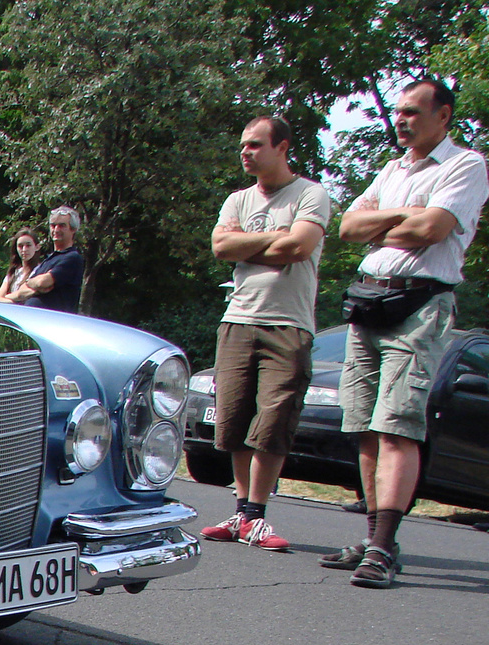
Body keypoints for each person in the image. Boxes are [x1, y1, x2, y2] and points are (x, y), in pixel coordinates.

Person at [327, 78, 488, 588]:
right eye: (398, 111)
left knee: (397, 423)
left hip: (420, 303)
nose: (401, 120)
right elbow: (348, 227)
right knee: (364, 426)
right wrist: (403, 215)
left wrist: (383, 223)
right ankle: (378, 538)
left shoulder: (466, 165)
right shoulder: (393, 168)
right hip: (370, 299)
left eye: (414, 112)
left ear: (443, 116)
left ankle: (381, 549)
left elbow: (432, 230)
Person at [200, 116, 332, 552]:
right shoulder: (237, 199)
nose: (246, 152)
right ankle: (240, 512)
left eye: (255, 145)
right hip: (238, 319)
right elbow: (220, 248)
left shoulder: (310, 193)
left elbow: (299, 248)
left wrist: (251, 241)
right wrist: (275, 239)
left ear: (282, 148)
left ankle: (257, 514)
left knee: (273, 421)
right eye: (243, 145)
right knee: (234, 419)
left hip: (288, 325)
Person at [7, 206, 84, 312]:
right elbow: (21, 291)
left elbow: (42, 282)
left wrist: (33, 284)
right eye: (53, 225)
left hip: (52, 323)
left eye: (62, 226)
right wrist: (35, 288)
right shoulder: (47, 261)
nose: (56, 229)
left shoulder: (72, 258)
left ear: (73, 229)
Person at [0, 228, 41, 302]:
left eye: (28, 245)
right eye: (20, 246)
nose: (24, 249)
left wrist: (6, 298)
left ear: (37, 247)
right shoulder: (14, 273)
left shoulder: (41, 271)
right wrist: (15, 299)